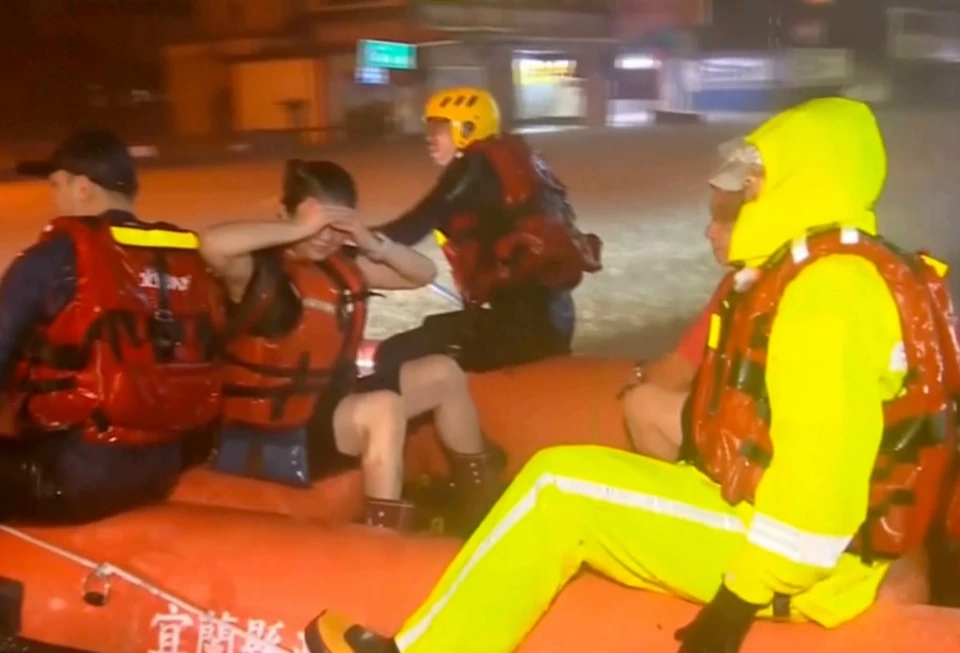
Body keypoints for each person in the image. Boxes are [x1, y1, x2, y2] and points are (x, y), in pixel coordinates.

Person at [302, 97, 960, 653]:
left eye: (759, 177)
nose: (742, 191)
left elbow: (819, 493)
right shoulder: (825, 273)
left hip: (812, 565)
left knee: (560, 486)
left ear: (806, 182)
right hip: (794, 536)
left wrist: (737, 602)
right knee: (569, 473)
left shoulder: (828, 294)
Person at [198, 159, 504, 532]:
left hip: (331, 409)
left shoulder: (340, 267)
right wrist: (296, 229)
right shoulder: (253, 272)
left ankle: (480, 501)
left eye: (335, 226)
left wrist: (368, 239)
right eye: (315, 223)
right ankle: (383, 535)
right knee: (384, 407)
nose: (325, 236)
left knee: (442, 371)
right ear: (286, 214)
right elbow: (212, 244)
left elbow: (422, 273)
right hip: (278, 433)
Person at [0, 128, 224, 523]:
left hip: (74, 477)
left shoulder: (52, 258)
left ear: (82, 188)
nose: (53, 199)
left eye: (56, 186)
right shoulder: (183, 259)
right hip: (162, 470)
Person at [370, 86, 603, 376]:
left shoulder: (474, 166)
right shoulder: (515, 159)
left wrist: (353, 240)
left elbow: (414, 225)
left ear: (467, 128)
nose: (430, 138)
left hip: (521, 331)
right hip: (551, 319)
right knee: (439, 331)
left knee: (392, 355)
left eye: (439, 128)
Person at [619, 153, 745, 461]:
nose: (710, 231)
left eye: (724, 220)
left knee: (641, 405)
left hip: (755, 448)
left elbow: (675, 373)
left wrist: (637, 375)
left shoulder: (741, 288)